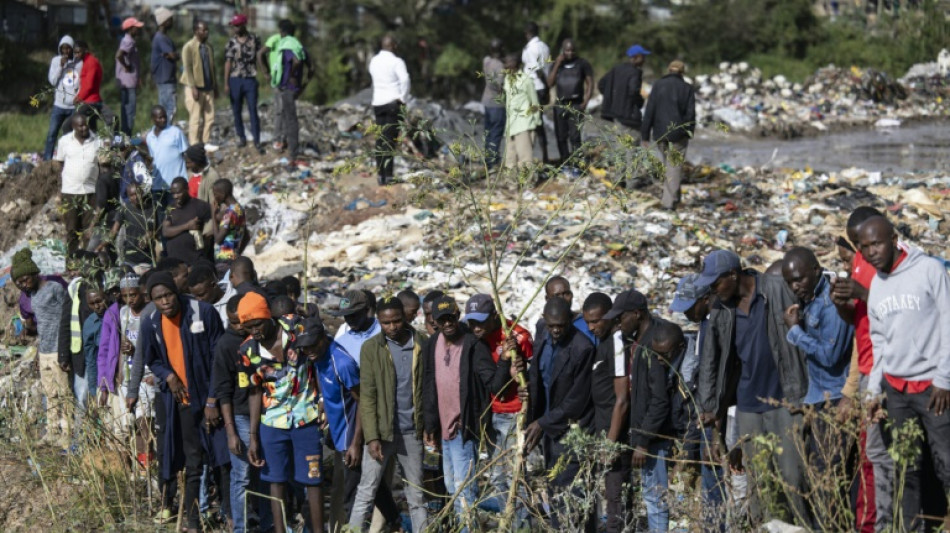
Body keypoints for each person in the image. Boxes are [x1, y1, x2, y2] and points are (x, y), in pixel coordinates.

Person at [695, 249, 809, 524]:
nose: (712, 290)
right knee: (760, 481)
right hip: (748, 405)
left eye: (715, 282)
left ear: (733, 275)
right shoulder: (721, 309)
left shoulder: (776, 289)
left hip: (786, 399)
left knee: (793, 478)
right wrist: (709, 407)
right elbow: (710, 359)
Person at [859, 216, 950, 531]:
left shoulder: (929, 270)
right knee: (906, 468)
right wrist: (873, 393)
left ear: (894, 239)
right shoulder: (877, 285)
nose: (871, 252)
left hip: (933, 388)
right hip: (896, 391)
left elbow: (948, 322)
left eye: (876, 243)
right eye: (864, 247)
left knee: (946, 463)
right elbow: (879, 344)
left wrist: (944, 378)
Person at [141, 271, 230, 533]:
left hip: (212, 400)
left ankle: (229, 516)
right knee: (193, 463)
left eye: (168, 295)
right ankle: (193, 522)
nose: (165, 302)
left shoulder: (203, 312)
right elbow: (152, 359)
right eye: (158, 298)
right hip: (183, 403)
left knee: (223, 459)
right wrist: (168, 376)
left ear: (176, 292)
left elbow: (218, 359)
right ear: (152, 300)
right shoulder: (151, 323)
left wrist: (213, 400)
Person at [422, 295, 511, 527]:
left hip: (464, 428)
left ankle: (467, 528)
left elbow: (493, 384)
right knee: (452, 486)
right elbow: (429, 384)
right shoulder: (433, 344)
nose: (448, 323)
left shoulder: (473, 345)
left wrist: (505, 361)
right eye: (442, 320)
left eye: (451, 318)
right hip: (443, 429)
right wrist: (429, 424)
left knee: (464, 490)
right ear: (434, 322)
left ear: (457, 315)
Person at [239, 293, 323, 533]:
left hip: (306, 417)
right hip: (273, 422)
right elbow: (254, 391)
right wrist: (253, 436)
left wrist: (323, 400)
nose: (255, 330)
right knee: (275, 481)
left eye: (258, 324)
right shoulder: (247, 350)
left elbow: (318, 354)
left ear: (268, 316)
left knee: (313, 479)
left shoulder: (295, 326)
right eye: (249, 327)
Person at [349, 296, 429, 532]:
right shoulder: (371, 348)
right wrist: (372, 437)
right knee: (366, 491)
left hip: (411, 431)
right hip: (383, 434)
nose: (392, 327)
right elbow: (368, 396)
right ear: (379, 322)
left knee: (416, 495)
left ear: (404, 317)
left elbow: (428, 388)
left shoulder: (421, 344)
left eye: (396, 321)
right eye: (386, 323)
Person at [832, 206, 891, 532]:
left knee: (880, 457)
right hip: (869, 370)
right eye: (858, 244)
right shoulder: (859, 262)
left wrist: (862, 294)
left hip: (888, 371)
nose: (864, 250)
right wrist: (842, 303)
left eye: (868, 243)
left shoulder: (895, 266)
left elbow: (896, 315)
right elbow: (859, 327)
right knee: (871, 457)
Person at [521, 296, 595, 530]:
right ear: (544, 320)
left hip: (569, 428)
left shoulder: (582, 348)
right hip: (546, 426)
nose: (555, 330)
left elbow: (577, 399)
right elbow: (538, 376)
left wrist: (543, 423)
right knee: (553, 486)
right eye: (551, 325)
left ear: (570, 321)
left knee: (569, 490)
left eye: (560, 326)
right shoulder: (543, 336)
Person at [605, 290, 675, 532]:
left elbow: (660, 400)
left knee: (655, 500)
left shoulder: (653, 343)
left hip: (653, 439)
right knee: (651, 496)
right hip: (647, 435)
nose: (618, 323)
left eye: (621, 317)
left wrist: (643, 441)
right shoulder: (639, 341)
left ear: (637, 313)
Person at [462, 293, 533, 515]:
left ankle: (521, 524)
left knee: (515, 476)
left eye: (481, 322)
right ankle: (507, 518)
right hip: (491, 413)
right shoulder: (477, 340)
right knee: (497, 476)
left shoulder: (519, 336)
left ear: (495, 316)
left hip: (514, 414)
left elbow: (534, 373)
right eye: (472, 322)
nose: (476, 328)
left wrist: (524, 381)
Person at [669, 273, 727, 520]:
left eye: (689, 307)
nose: (685, 314)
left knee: (716, 481)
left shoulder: (718, 324)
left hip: (716, 418)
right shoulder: (703, 325)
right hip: (705, 416)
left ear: (705, 299)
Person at [13, 249, 73, 448]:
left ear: (34, 273)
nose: (24, 284)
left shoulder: (54, 288)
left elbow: (67, 316)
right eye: (20, 282)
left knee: (64, 394)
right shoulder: (33, 296)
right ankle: (52, 431)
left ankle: (67, 433)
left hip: (58, 348)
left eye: (25, 279)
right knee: (50, 393)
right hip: (45, 349)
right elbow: (41, 328)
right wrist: (38, 352)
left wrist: (65, 351)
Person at [582, 292, 631, 532]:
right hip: (603, 429)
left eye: (596, 321)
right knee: (611, 495)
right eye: (588, 322)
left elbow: (622, 399)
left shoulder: (617, 343)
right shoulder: (603, 342)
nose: (592, 327)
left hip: (616, 434)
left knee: (616, 496)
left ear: (610, 316)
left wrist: (610, 443)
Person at [97, 274, 154, 463]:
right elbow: (119, 346)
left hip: (145, 375)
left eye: (133, 295)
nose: (130, 300)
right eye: (125, 296)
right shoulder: (123, 313)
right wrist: (118, 374)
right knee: (127, 427)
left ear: (142, 293)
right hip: (127, 379)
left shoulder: (150, 313)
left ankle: (147, 467)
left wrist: (136, 350)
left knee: (144, 424)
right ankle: (134, 470)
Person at [641, 60, 696, 210]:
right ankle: (668, 203)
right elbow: (690, 114)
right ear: (682, 72)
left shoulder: (658, 85)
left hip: (660, 133)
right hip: (678, 134)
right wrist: (689, 132)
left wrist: (645, 134)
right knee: (674, 167)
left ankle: (674, 199)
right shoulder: (687, 88)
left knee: (669, 166)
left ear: (668, 70)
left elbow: (649, 110)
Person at [260, 19, 311, 162]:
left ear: (282, 32)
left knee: (290, 119)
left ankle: (292, 152)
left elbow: (296, 61)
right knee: (288, 116)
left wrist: (290, 76)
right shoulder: (299, 45)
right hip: (293, 87)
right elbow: (311, 68)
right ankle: (289, 147)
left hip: (287, 87)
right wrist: (303, 86)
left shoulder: (287, 46)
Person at [53, 113, 103, 256]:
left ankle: (87, 260)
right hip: (70, 192)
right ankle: (72, 259)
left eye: (85, 124)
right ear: (74, 127)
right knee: (72, 229)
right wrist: (59, 189)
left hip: (90, 192)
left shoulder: (97, 141)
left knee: (89, 230)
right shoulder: (64, 142)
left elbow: (101, 165)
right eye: (80, 126)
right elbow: (59, 164)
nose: (84, 128)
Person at [599, 44, 649, 187]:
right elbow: (633, 91)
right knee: (633, 150)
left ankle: (618, 180)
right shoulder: (635, 72)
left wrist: (613, 99)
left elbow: (601, 84)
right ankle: (632, 183)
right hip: (630, 117)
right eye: (643, 57)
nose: (644, 60)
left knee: (619, 149)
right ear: (636, 57)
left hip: (617, 116)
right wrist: (640, 101)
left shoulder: (617, 69)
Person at [369, 35, 410, 186]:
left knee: (380, 139)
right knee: (390, 140)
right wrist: (403, 98)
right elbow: (405, 79)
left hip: (378, 103)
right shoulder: (397, 62)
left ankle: (380, 175)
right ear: (392, 46)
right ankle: (388, 176)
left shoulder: (374, 61)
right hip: (393, 103)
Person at [546, 38, 593, 166]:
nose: (570, 53)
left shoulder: (582, 64)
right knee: (561, 137)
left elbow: (590, 83)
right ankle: (565, 163)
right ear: (562, 50)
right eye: (567, 50)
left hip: (576, 104)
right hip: (560, 105)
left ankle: (577, 164)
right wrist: (557, 64)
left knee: (575, 137)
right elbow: (549, 83)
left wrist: (585, 102)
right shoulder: (557, 65)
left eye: (572, 50)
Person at [224, 14, 264, 153]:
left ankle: (257, 140)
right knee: (236, 110)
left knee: (253, 109)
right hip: (235, 79)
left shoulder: (254, 39)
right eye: (233, 26)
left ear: (243, 25)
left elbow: (260, 56)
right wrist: (226, 83)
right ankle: (241, 137)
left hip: (250, 79)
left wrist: (265, 72)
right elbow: (228, 62)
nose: (234, 28)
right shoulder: (231, 42)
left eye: (237, 25)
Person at [45, 35, 82, 161]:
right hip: (59, 105)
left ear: (72, 49)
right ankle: (47, 160)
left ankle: (68, 159)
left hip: (73, 106)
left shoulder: (79, 63)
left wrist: (79, 96)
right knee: (52, 134)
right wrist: (60, 66)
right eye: (63, 48)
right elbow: (52, 81)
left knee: (70, 135)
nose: (65, 51)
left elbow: (81, 82)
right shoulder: (56, 61)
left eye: (68, 48)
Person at [181, 21, 217, 144]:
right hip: (195, 88)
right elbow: (188, 68)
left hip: (208, 88)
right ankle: (194, 145)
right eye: (203, 30)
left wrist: (215, 86)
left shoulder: (208, 47)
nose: (206, 32)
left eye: (207, 30)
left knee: (210, 118)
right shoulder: (189, 47)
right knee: (195, 119)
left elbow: (212, 68)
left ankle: (206, 144)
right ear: (196, 31)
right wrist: (193, 87)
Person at [105, 184, 158, 269]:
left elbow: (155, 229)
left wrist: (147, 237)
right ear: (128, 197)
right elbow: (114, 231)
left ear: (142, 193)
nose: (136, 197)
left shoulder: (152, 208)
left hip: (148, 258)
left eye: (137, 193)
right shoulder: (125, 209)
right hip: (130, 259)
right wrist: (101, 245)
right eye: (132, 195)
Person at [502, 53, 541, 170]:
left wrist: (536, 123)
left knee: (525, 159)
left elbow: (535, 103)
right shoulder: (507, 79)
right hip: (510, 124)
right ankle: (511, 181)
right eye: (505, 63)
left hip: (523, 123)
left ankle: (527, 181)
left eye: (508, 63)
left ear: (516, 64)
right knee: (510, 158)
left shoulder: (526, 80)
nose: (505, 66)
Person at [162, 176, 212, 264]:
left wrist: (207, 240)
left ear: (187, 189)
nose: (175, 196)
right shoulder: (170, 208)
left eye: (178, 193)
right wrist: (187, 226)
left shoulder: (200, 206)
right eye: (173, 193)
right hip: (175, 261)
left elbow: (216, 219)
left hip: (194, 260)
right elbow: (165, 231)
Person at [146, 105, 188, 206]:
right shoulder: (149, 137)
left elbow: (186, 154)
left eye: (165, 116)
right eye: (160, 117)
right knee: (161, 214)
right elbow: (153, 159)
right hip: (158, 185)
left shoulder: (175, 132)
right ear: (153, 119)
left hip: (176, 185)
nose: (164, 120)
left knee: (176, 213)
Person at [522, 21, 551, 163]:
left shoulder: (531, 48)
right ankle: (544, 155)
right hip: (541, 87)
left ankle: (534, 157)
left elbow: (537, 70)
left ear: (527, 33)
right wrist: (547, 89)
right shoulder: (544, 46)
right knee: (538, 122)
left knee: (533, 123)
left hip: (534, 88)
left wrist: (545, 87)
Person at [539, 275, 595, 343]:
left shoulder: (586, 323)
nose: (562, 299)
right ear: (547, 299)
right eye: (557, 295)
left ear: (571, 295)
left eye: (566, 294)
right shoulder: (542, 326)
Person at [332, 289, 382, 365]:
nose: (349, 320)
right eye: (346, 316)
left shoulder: (384, 331)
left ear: (366, 310)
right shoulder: (341, 343)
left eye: (353, 315)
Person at [116, 17, 144, 136]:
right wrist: (126, 66)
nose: (139, 30)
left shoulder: (128, 40)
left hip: (129, 81)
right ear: (131, 29)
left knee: (127, 109)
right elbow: (119, 55)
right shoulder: (129, 41)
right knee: (129, 111)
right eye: (136, 28)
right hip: (128, 82)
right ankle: (126, 135)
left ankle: (125, 134)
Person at [482, 38, 506, 170]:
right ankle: (492, 162)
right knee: (496, 133)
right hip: (497, 103)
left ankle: (488, 159)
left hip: (486, 101)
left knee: (488, 132)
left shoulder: (486, 61)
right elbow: (499, 85)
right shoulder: (500, 66)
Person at [212, 179, 245, 272]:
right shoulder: (239, 208)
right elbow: (246, 235)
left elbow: (218, 239)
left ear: (223, 194)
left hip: (225, 257)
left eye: (215, 194)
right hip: (234, 255)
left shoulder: (229, 213)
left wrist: (213, 214)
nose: (214, 197)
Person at [151, 7, 179, 120]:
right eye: (170, 19)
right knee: (169, 109)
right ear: (164, 21)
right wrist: (174, 55)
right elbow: (173, 55)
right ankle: (165, 130)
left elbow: (173, 55)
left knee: (165, 109)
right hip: (165, 80)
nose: (172, 22)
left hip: (166, 79)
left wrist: (173, 55)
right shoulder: (161, 38)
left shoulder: (163, 37)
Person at [72, 40, 103, 133]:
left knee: (68, 125)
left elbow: (89, 85)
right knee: (92, 128)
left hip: (91, 100)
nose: (77, 55)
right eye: (75, 53)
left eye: (79, 52)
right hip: (88, 100)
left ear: (85, 50)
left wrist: (78, 98)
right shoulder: (86, 61)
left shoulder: (90, 62)